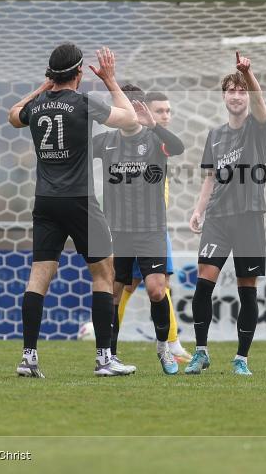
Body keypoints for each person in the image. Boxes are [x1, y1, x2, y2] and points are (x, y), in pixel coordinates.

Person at [8, 44, 138, 378]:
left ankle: (29, 358)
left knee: (40, 274)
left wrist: (41, 88)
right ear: (79, 74)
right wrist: (110, 80)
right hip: (79, 200)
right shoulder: (82, 103)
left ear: (52, 75)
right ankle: (104, 359)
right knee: (104, 273)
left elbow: (12, 115)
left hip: (45, 201)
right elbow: (129, 118)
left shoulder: (36, 106)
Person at [185, 52, 266, 376]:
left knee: (247, 287)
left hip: (249, 215)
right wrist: (198, 210)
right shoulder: (215, 135)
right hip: (218, 218)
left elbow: (262, 106)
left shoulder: (257, 128)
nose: (237, 95)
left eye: (241, 90)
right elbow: (210, 177)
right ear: (224, 97)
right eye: (231, 90)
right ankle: (201, 353)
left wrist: (248, 75)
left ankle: (241, 359)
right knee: (203, 282)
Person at [94, 84, 185, 374]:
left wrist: (155, 125)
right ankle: (110, 356)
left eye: (135, 105)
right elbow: (76, 153)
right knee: (114, 295)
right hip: (117, 231)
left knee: (157, 290)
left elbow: (179, 148)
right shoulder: (107, 141)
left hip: (151, 230)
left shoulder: (154, 138)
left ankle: (163, 347)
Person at [115, 90, 192, 363]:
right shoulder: (137, 140)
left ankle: (170, 343)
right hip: (136, 227)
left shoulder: (157, 139)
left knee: (147, 284)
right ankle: (171, 343)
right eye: (160, 111)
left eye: (168, 111)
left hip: (154, 226)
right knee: (132, 284)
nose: (166, 116)